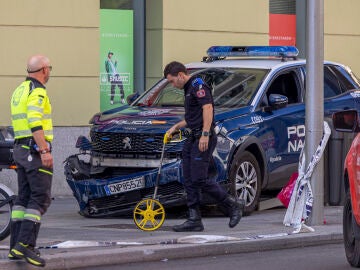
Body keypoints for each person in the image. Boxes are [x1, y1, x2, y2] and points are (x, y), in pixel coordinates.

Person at [163, 61, 245, 232]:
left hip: (202, 137)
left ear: (180, 75)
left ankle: (233, 204)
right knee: (188, 179)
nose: (172, 85)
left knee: (199, 178)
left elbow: (207, 108)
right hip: (192, 137)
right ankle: (194, 219)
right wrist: (177, 126)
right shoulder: (188, 89)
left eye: (172, 81)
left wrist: (205, 134)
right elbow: (194, 116)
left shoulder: (197, 85)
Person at [8, 55, 54, 267]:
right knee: (40, 198)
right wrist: (44, 150)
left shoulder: (19, 90)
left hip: (19, 147)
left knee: (23, 198)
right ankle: (25, 245)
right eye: (50, 68)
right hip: (33, 149)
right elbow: (35, 121)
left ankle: (15, 247)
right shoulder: (38, 91)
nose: (50, 72)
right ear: (44, 70)